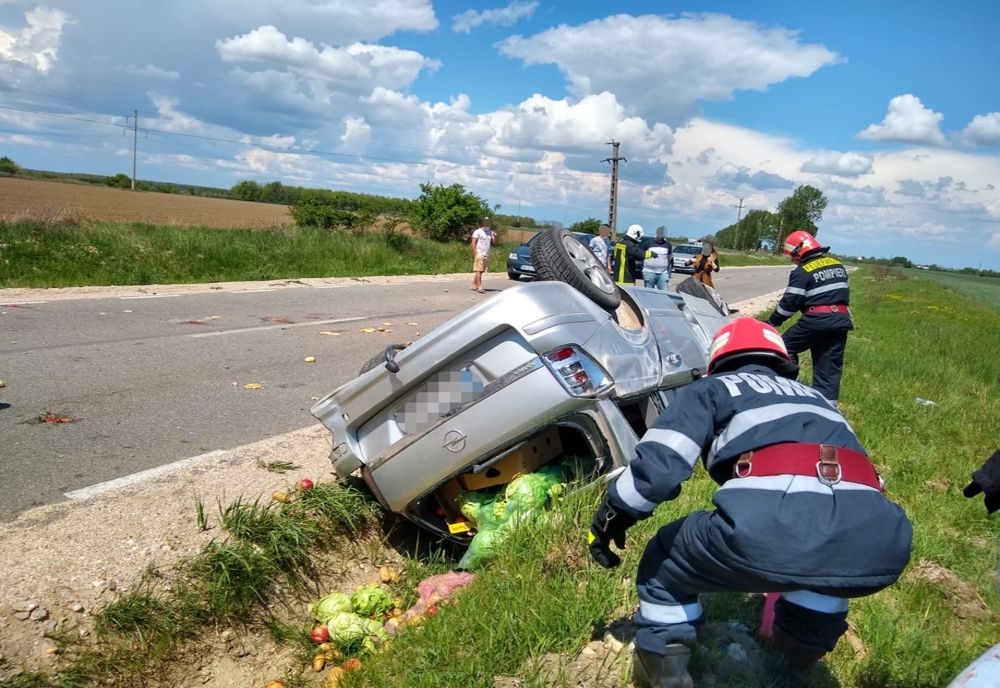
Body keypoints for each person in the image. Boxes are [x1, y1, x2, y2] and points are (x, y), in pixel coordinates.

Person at [588, 317, 912, 688]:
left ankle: (662, 675)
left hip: (769, 528)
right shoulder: (821, 400)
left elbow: (659, 469)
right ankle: (791, 664)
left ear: (717, 361)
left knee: (664, 561)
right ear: (783, 360)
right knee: (825, 571)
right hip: (879, 543)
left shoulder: (712, 389)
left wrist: (612, 516)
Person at [766, 229, 852, 403]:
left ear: (799, 251)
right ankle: (829, 408)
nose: (792, 260)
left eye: (792, 256)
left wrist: (771, 322)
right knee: (828, 367)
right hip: (841, 321)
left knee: (784, 347)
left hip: (817, 320)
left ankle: (792, 389)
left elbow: (790, 303)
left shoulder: (802, 271)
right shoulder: (838, 265)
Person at [470, 217, 497, 293]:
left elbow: (494, 243)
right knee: (479, 270)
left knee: (481, 271)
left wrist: (495, 236)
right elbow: (473, 242)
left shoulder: (490, 232)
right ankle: (479, 287)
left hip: (486, 254)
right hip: (479, 253)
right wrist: (476, 253)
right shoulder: (477, 231)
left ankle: (473, 284)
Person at [641, 226, 673, 290]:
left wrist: (664, 265)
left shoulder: (668, 244)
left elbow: (669, 257)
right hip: (649, 272)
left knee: (664, 292)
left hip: (663, 273)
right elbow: (642, 254)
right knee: (649, 292)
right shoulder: (648, 243)